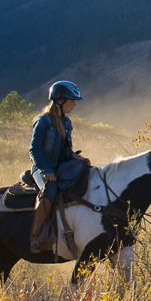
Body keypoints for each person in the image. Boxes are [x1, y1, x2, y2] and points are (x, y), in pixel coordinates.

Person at [29, 80, 89, 255]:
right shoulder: (43, 121)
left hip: (58, 168)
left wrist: (78, 158)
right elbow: (34, 150)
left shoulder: (67, 123)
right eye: (71, 100)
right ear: (59, 101)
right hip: (41, 168)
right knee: (51, 189)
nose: (74, 104)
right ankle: (37, 236)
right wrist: (46, 171)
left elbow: (66, 152)